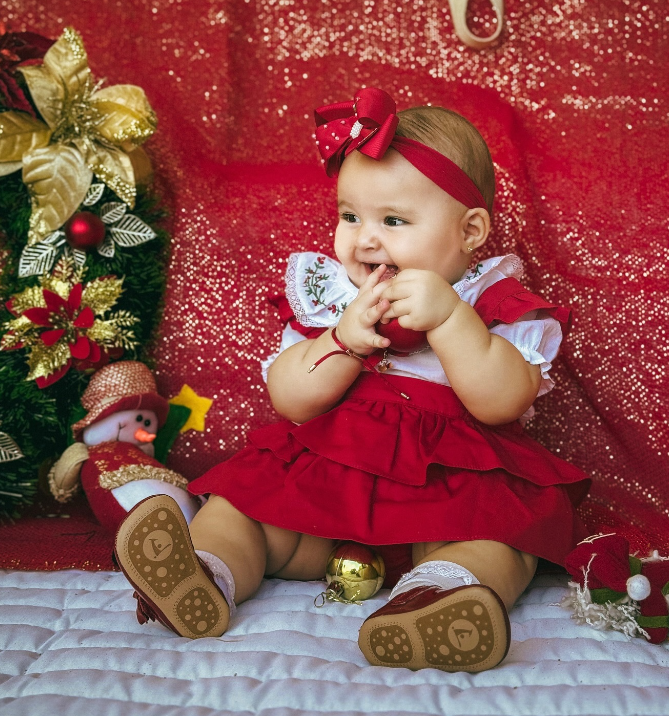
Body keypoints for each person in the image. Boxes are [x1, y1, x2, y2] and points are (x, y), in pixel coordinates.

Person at [114, 87, 591, 673]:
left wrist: (450, 319)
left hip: (447, 493)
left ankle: (438, 598)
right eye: (350, 215)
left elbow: (502, 402)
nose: (364, 238)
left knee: (503, 540)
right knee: (239, 508)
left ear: (470, 231)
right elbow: (289, 397)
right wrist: (339, 341)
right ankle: (206, 574)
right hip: (328, 494)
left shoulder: (490, 299)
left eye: (393, 220)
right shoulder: (334, 296)